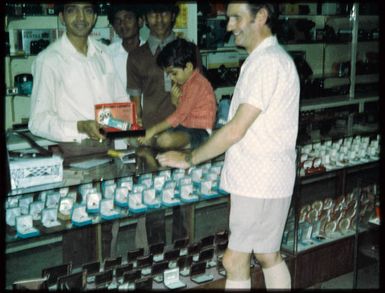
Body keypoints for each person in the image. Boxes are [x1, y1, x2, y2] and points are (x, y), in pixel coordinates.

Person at [157, 1, 300, 290]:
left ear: (260, 16)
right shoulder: (272, 58)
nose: (229, 26)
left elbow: (236, 129)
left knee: (234, 261)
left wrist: (190, 158)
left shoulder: (266, 63)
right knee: (267, 253)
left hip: (257, 180)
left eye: (236, 18)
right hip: (271, 177)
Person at [28, 2, 128, 265]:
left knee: (106, 231)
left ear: (95, 17)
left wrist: (128, 140)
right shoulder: (49, 60)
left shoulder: (103, 54)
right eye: (72, 10)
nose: (80, 17)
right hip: (72, 168)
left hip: (108, 159)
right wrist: (79, 127)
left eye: (87, 10)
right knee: (75, 234)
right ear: (62, 16)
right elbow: (38, 121)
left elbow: (120, 102)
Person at [126, 2, 191, 248]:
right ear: (145, 17)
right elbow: (135, 106)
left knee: (182, 204)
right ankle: (156, 260)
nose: (160, 18)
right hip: (152, 142)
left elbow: (199, 94)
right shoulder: (136, 56)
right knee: (153, 204)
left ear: (173, 15)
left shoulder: (190, 51)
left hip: (182, 137)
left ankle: (183, 258)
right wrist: (138, 132)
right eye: (153, 12)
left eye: (165, 12)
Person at [137, 38, 217, 150]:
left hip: (199, 131)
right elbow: (184, 111)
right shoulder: (187, 83)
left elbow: (179, 115)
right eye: (169, 75)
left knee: (165, 139)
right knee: (160, 138)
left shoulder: (197, 84)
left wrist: (154, 129)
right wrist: (175, 101)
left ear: (188, 67)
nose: (171, 78)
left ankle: (155, 142)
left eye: (174, 73)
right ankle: (155, 142)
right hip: (185, 126)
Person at [106, 4, 144, 89]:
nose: (122, 24)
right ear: (114, 27)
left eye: (128, 18)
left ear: (140, 22)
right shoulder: (107, 54)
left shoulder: (152, 52)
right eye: (118, 21)